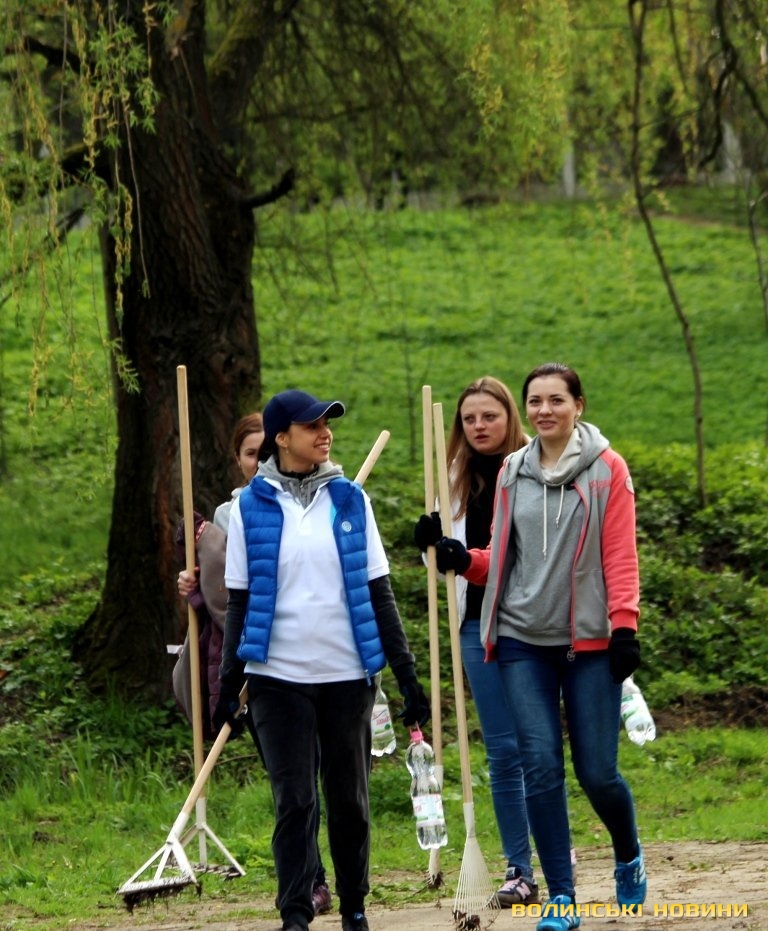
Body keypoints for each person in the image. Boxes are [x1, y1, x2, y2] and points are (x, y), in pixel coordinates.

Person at [429, 363, 646, 931]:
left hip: (590, 644)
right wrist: (461, 558)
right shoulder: (512, 471)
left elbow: (620, 555)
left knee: (597, 773)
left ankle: (628, 853)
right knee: (541, 768)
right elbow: (502, 555)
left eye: (556, 400)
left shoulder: (607, 470)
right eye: (536, 401)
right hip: (523, 640)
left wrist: (624, 627)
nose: (544, 410)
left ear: (578, 405)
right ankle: (562, 898)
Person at [216, 389, 430, 931]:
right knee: (294, 800)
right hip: (276, 678)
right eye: (312, 426)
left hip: (347, 676)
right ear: (281, 438)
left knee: (349, 801)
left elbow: (379, 592)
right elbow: (239, 601)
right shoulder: (248, 508)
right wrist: (227, 685)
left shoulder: (351, 499)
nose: (325, 433)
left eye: (327, 424)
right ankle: (295, 913)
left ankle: (354, 906)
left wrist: (407, 675)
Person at [177, 410, 333, 915]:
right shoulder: (229, 517)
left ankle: (335, 877)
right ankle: (310, 880)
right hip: (261, 667)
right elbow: (227, 594)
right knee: (289, 781)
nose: (261, 458)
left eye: (267, 448)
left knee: (320, 773)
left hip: (320, 658)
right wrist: (195, 585)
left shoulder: (324, 498)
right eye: (251, 452)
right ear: (239, 459)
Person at [413, 376, 541, 907]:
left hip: (534, 622)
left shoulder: (538, 467)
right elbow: (447, 568)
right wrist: (430, 545)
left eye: (489, 415)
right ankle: (519, 867)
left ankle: (554, 847)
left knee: (537, 745)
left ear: (510, 416)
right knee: (504, 749)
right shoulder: (452, 478)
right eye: (469, 418)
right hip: (476, 624)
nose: (479, 425)